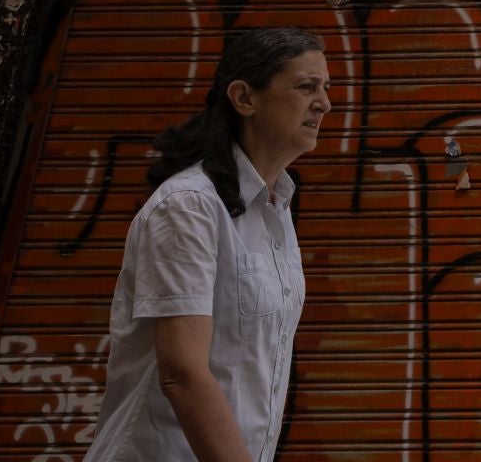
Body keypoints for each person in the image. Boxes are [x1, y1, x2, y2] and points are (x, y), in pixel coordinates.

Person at [83, 26, 330, 462]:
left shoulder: (274, 208)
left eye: (325, 88)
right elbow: (182, 371)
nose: (324, 104)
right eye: (306, 87)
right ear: (244, 98)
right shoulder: (190, 206)